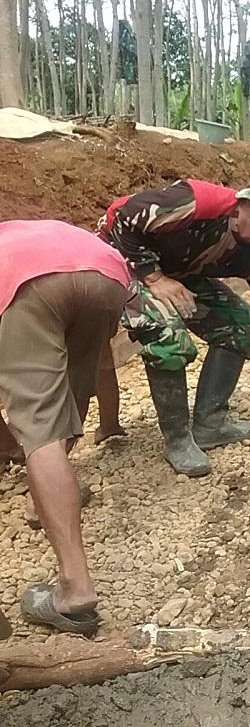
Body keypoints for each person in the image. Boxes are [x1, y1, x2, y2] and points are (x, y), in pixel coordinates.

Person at [101, 165, 250, 476]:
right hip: (121, 262)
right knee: (168, 335)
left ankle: (210, 423)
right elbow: (122, 218)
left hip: (178, 272)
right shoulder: (199, 203)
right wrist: (154, 277)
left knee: (241, 326)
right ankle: (177, 439)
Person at [0, 219, 132, 634]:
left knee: (40, 428)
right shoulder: (25, 231)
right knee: (71, 396)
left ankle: (76, 589)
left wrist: (18, 445)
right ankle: (43, 495)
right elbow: (99, 367)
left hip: (27, 283)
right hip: (107, 274)